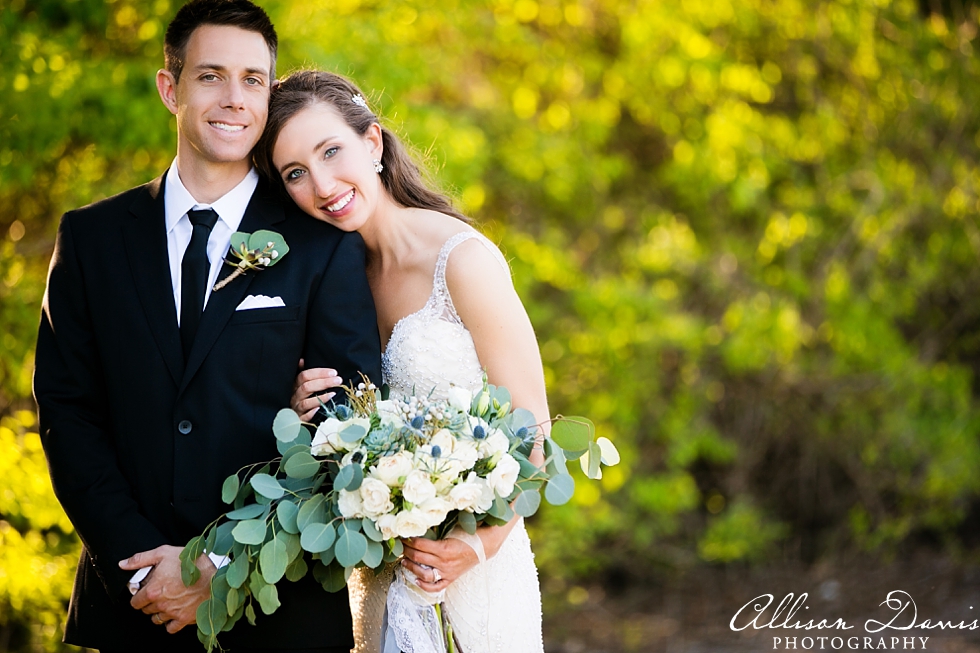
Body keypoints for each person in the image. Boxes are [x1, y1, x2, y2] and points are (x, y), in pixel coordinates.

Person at [33, 2, 381, 651]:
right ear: (171, 87)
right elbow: (67, 411)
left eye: (253, 79)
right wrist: (139, 562)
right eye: (210, 76)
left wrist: (222, 565)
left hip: (281, 612)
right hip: (136, 605)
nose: (234, 98)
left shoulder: (320, 243)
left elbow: (353, 418)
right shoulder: (91, 238)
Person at [261, 70, 549, 653]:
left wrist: (474, 548)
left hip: (478, 569)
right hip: (381, 571)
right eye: (296, 173)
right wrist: (301, 407)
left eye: (331, 151)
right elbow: (334, 432)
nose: (322, 184)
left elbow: (535, 434)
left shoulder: (462, 261)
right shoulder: (321, 285)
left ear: (373, 144)